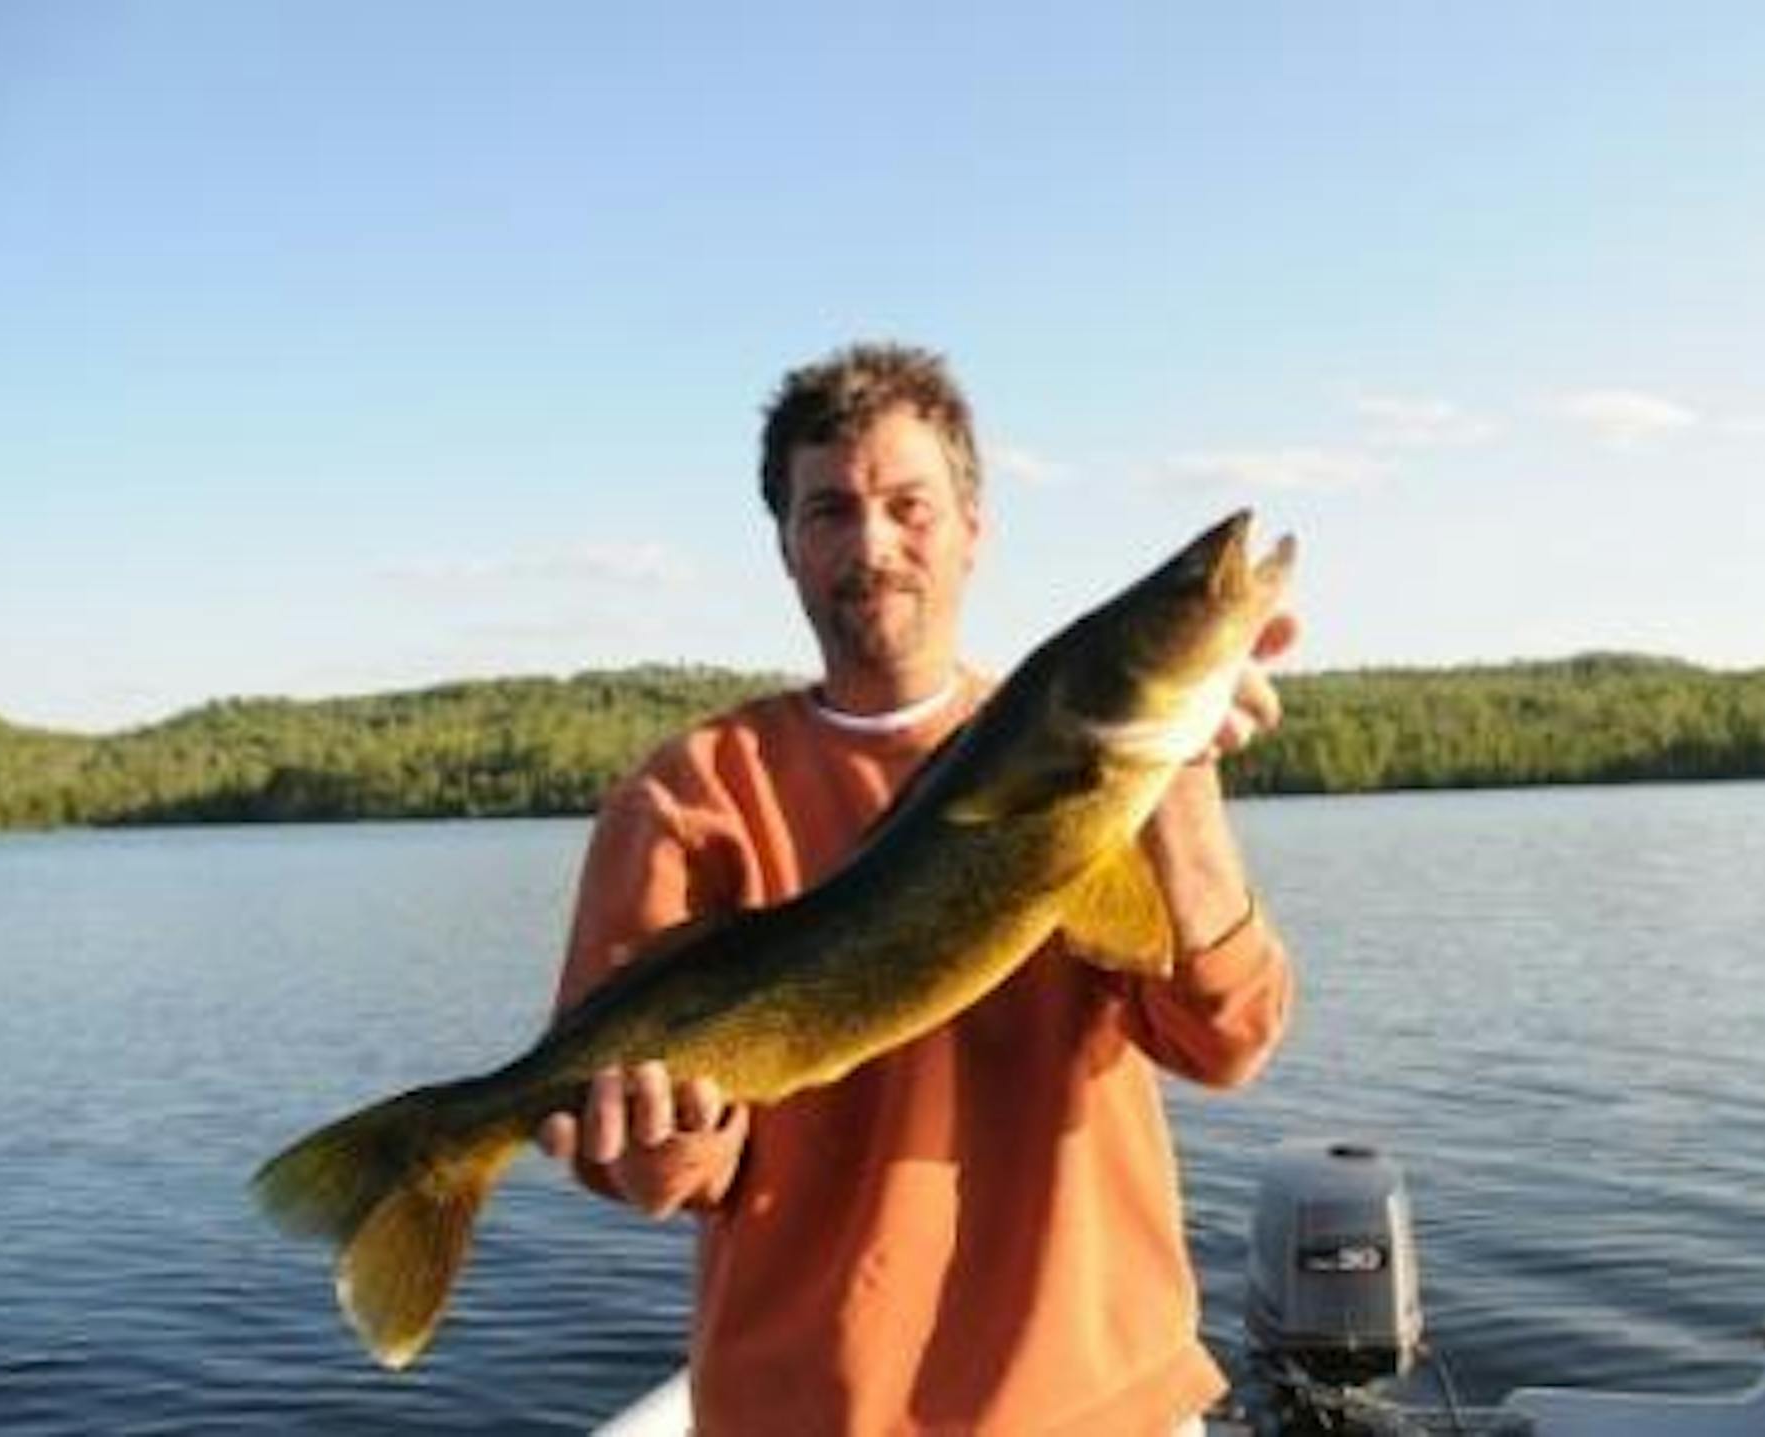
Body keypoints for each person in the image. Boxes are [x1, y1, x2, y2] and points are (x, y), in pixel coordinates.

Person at [536, 342, 1298, 1436]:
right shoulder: (687, 796)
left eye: (910, 505)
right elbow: (662, 1177)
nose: (873, 544)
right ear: (788, 549)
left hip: (1096, 1407)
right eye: (830, 511)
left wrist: (1182, 778)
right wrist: (653, 1136)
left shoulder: (1098, 767)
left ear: (974, 529)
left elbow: (1228, 1041)